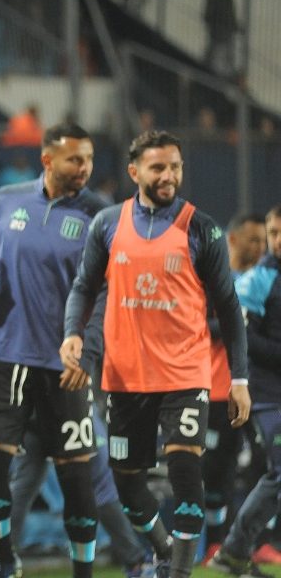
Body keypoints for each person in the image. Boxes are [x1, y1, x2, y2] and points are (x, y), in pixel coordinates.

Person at [61, 130, 251, 578]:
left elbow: (228, 308)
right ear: (135, 172)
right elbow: (84, 287)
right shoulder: (107, 223)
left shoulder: (202, 227)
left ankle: (179, 573)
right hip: (125, 378)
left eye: (175, 167)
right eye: (158, 168)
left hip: (185, 374)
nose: (169, 176)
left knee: (187, 472)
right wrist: (73, 333)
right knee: (128, 484)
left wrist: (239, 379)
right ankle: (164, 550)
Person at [0, 123, 110, 578]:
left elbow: (107, 294)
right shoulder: (6, 199)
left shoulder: (100, 215)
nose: (84, 168)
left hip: (64, 365)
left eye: (88, 159)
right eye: (75, 159)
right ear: (47, 160)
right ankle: (5, 559)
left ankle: (83, 573)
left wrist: (87, 355)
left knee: (76, 479)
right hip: (3, 355)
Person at [211, 205, 281, 577]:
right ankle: (234, 546)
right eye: (273, 233)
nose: (275, 241)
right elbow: (240, 334)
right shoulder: (257, 280)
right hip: (266, 395)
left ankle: (238, 548)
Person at [202, 213, 268, 563]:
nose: (259, 247)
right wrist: (234, 322)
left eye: (263, 241)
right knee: (217, 467)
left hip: (261, 389)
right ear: (233, 240)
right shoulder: (214, 280)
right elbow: (197, 326)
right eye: (253, 240)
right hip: (218, 387)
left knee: (265, 465)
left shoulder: (264, 281)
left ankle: (258, 541)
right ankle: (214, 542)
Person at [204, 0, 240, 78]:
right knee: (216, 56)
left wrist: (235, 27)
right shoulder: (215, 0)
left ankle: (223, 75)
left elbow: (231, 19)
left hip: (224, 35)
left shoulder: (227, 1)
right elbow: (207, 17)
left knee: (225, 57)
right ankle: (213, 75)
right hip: (218, 35)